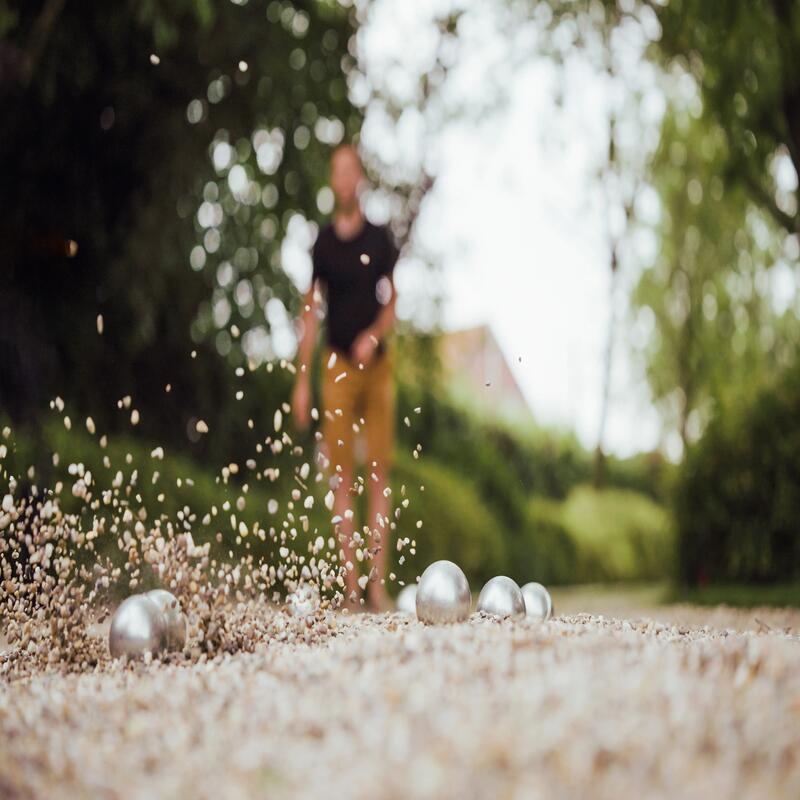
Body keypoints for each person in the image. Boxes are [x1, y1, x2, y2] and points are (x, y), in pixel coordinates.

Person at [292, 142, 399, 611]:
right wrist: (301, 380)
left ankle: (377, 586)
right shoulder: (322, 243)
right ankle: (351, 589)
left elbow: (393, 301)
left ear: (359, 179)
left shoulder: (380, 239)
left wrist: (374, 335)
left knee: (378, 476)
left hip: (377, 369)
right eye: (337, 171)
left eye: (351, 170)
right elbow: (311, 311)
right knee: (342, 478)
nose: (344, 178)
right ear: (332, 181)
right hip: (335, 366)